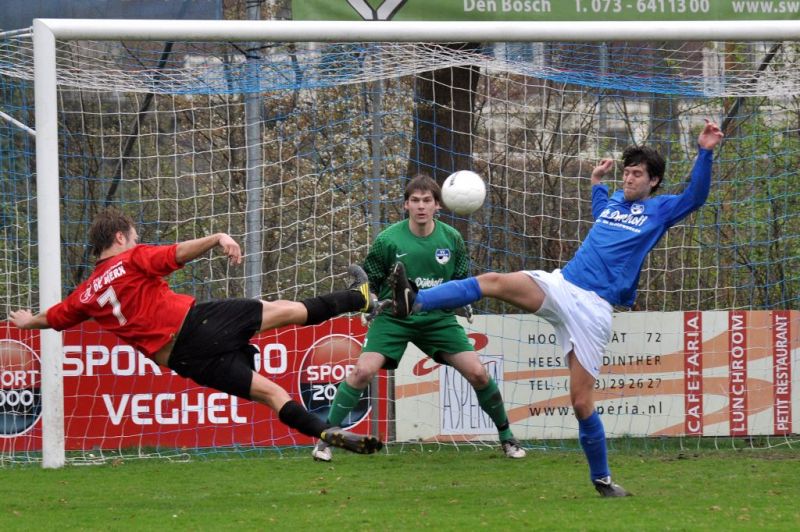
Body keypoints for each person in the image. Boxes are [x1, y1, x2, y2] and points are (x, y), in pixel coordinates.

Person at [389, 121, 725, 496]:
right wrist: (597, 182)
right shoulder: (615, 201)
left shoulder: (660, 210)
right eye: (627, 172)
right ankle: (415, 300)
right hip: (562, 285)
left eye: (637, 175)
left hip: (593, 309)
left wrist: (705, 151)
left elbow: (696, 196)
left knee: (581, 402)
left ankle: (603, 480)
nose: (629, 179)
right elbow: (601, 210)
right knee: (494, 281)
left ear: (654, 181)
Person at [9, 208, 383, 455]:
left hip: (182, 360)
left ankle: (324, 432)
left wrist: (29, 321)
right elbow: (175, 254)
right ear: (120, 238)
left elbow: (56, 317)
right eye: (135, 237)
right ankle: (360, 298)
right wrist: (217, 237)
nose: (137, 242)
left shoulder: (86, 293)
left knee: (270, 394)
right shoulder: (132, 258)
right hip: (194, 325)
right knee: (284, 310)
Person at [312, 174, 526, 462]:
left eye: (427, 200)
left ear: (438, 205)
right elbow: (370, 281)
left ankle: (507, 437)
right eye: (415, 200)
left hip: (437, 319)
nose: (421, 206)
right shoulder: (388, 240)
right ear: (406, 205)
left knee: (478, 373)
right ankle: (324, 440)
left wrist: (463, 303)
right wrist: (369, 302)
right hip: (393, 318)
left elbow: (461, 281)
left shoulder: (451, 239)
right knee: (362, 372)